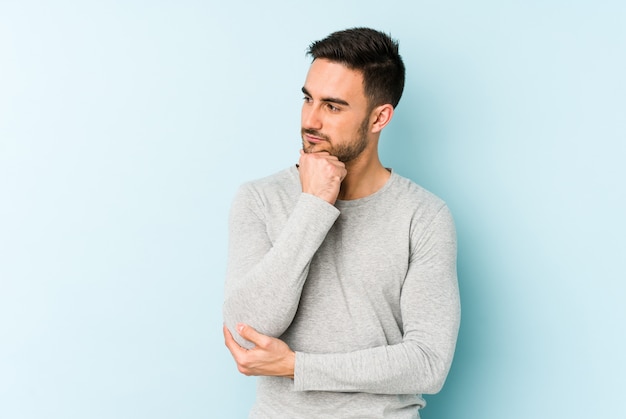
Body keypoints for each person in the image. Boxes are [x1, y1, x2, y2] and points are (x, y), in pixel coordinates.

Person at [223, 27, 460, 418]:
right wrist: (313, 206)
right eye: (307, 99)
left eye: (333, 106)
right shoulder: (259, 199)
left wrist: (298, 367)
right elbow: (246, 332)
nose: (311, 120)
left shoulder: (424, 216)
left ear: (379, 117)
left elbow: (428, 363)